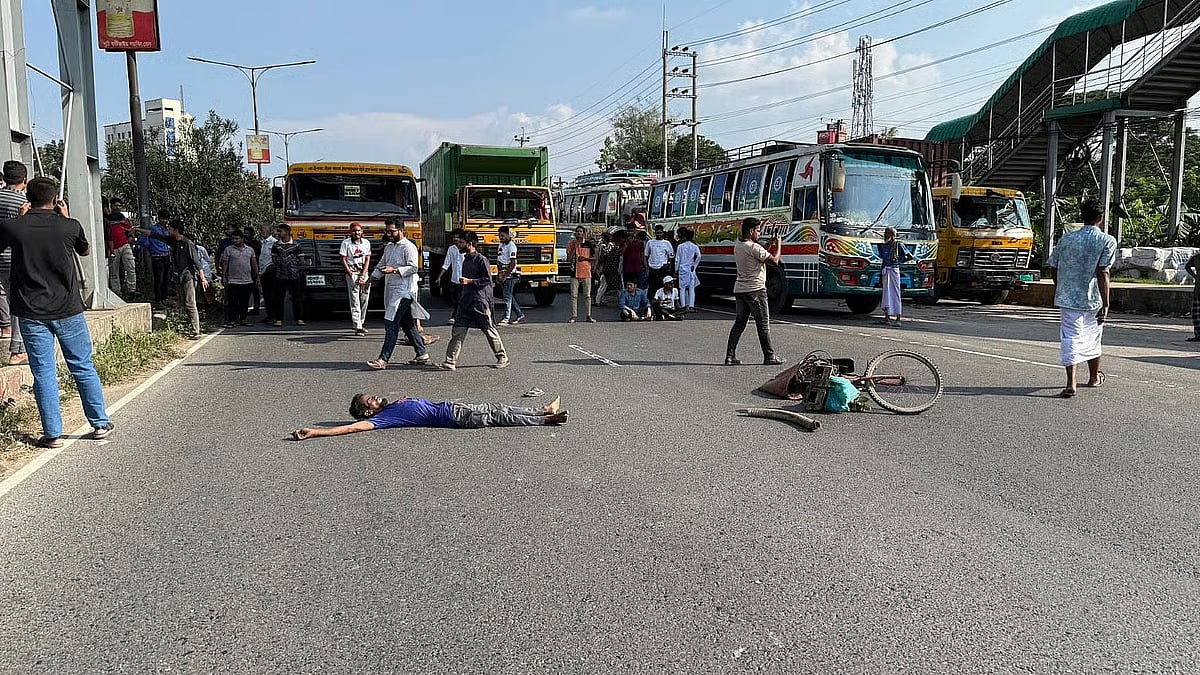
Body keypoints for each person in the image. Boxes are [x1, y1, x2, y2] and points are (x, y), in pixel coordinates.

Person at [0, 177, 112, 448]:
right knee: (82, 366)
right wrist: (67, 217)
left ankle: (53, 434)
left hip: (30, 311)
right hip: (67, 310)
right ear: (55, 200)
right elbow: (84, 251)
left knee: (44, 372)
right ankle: (99, 423)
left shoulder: (14, 227)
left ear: (28, 198)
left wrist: (19, 219)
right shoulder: (69, 226)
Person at [1046, 200, 1117, 398]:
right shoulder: (1107, 240)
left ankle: (1071, 383)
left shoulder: (1067, 239)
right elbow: (1103, 272)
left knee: (1071, 337)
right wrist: (1106, 303)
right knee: (1093, 337)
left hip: (1068, 298)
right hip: (1094, 298)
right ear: (1100, 218)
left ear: (1082, 216)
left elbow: (1054, 266)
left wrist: (1061, 286)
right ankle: (1093, 378)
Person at [290, 393, 568, 440]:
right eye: (370, 400)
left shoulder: (388, 409)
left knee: (499, 409)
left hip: (454, 409)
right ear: (367, 410)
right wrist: (317, 432)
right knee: (498, 414)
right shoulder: (383, 418)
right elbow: (352, 429)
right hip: (455, 415)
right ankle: (544, 418)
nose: (375, 398)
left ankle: (542, 411)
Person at [437, 231, 509, 371]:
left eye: (461, 243)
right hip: (465, 301)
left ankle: (502, 357)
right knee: (458, 330)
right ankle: (450, 361)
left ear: (469, 244)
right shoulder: (466, 259)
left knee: (488, 329)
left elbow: (487, 279)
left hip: (479, 301)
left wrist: (470, 281)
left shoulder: (481, 260)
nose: (458, 245)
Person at [367, 219, 426, 369]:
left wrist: (394, 270)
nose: (389, 234)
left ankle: (383, 360)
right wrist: (370, 278)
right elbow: (381, 265)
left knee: (391, 323)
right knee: (407, 324)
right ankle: (421, 353)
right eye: (387, 231)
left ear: (401, 230)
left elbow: (413, 267)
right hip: (392, 290)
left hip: (404, 292)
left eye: (392, 231)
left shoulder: (409, 247)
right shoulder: (389, 247)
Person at [136, 220, 210, 339]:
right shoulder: (172, 241)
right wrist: (139, 230)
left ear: (176, 230)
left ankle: (196, 330)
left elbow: (196, 261)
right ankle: (186, 326)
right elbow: (154, 235)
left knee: (190, 303)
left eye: (170, 229)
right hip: (178, 277)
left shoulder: (188, 243)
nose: (168, 230)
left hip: (188, 277)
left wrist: (202, 278)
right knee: (182, 304)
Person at [725, 217, 783, 366]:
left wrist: (768, 245)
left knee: (739, 324)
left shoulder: (738, 245)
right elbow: (774, 261)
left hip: (740, 289)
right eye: (758, 231)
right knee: (763, 324)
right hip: (755, 290)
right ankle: (770, 356)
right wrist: (779, 245)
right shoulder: (754, 248)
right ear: (751, 231)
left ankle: (730, 356)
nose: (759, 234)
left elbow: (758, 256)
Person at [0, 160, 29, 365]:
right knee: (18, 302)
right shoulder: (23, 202)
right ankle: (18, 350)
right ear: (24, 181)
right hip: (15, 258)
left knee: (3, 295)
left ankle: (5, 327)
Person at [220, 230, 258, 328]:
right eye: (233, 239)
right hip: (233, 280)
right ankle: (232, 320)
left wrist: (257, 276)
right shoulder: (228, 250)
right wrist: (224, 277)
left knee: (244, 302)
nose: (235, 240)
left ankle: (243, 319)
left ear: (242, 239)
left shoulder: (250, 250)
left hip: (247, 280)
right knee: (233, 302)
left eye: (237, 238)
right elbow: (225, 264)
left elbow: (254, 264)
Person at [270, 224, 305, 327]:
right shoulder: (276, 245)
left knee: (297, 297)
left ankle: (299, 318)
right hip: (280, 275)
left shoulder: (296, 245)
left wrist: (294, 266)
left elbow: (301, 260)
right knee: (279, 298)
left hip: (294, 275)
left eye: (280, 231)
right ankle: (279, 319)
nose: (278, 233)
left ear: (286, 232)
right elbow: (274, 258)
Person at [340, 222, 372, 335]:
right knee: (354, 299)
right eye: (354, 230)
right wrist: (349, 272)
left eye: (358, 230)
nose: (356, 232)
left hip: (364, 273)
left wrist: (364, 274)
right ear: (350, 232)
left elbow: (367, 259)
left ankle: (361, 323)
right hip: (352, 274)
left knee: (364, 298)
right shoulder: (346, 243)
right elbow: (343, 258)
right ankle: (357, 325)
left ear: (362, 231)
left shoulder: (366, 243)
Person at [880, 226, 914, 327]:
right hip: (886, 270)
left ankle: (898, 317)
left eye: (887, 234)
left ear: (892, 235)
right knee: (886, 294)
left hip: (894, 270)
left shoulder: (899, 245)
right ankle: (887, 316)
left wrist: (899, 262)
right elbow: (883, 261)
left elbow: (910, 256)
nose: (885, 235)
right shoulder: (885, 246)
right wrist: (880, 275)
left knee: (895, 293)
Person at [104, 197, 136, 298]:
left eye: (119, 206)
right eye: (115, 206)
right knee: (114, 271)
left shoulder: (123, 218)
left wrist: (131, 238)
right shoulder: (107, 219)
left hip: (124, 245)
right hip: (113, 247)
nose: (117, 208)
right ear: (111, 206)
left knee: (131, 267)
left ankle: (132, 290)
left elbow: (130, 230)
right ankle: (116, 292)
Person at [496, 225, 525, 326]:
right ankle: (520, 315)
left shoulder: (512, 246)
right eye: (500, 236)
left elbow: (512, 263)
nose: (501, 237)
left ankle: (506, 318)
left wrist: (505, 275)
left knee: (507, 297)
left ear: (508, 235)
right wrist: (499, 274)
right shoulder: (501, 245)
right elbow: (499, 260)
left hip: (511, 275)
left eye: (503, 235)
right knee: (509, 296)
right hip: (502, 273)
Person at [566, 226, 596, 323]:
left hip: (586, 272)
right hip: (574, 272)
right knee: (574, 295)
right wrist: (575, 248)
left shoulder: (588, 244)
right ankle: (574, 315)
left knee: (587, 295)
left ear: (584, 233)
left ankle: (588, 315)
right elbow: (569, 259)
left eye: (580, 231)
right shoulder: (571, 244)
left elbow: (594, 257)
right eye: (577, 231)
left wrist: (585, 259)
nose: (579, 233)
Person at [144, 209, 173, 307]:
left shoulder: (168, 230)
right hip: (157, 256)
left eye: (166, 219)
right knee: (158, 279)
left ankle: (164, 298)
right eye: (163, 218)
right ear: (159, 218)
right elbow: (143, 240)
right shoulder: (153, 229)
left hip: (167, 256)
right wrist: (152, 247)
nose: (165, 221)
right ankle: (158, 300)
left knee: (166, 278)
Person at [438, 228, 465, 324]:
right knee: (457, 299)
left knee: (461, 299)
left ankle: (455, 316)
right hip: (455, 279)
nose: (455, 239)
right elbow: (446, 264)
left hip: (465, 279)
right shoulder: (451, 249)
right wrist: (439, 277)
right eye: (454, 237)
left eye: (457, 237)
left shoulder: (466, 249)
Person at [675, 227, 702, 312]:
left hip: (682, 269)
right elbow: (699, 256)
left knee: (682, 288)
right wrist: (695, 265)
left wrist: (676, 269)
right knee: (691, 288)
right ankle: (691, 306)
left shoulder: (680, 246)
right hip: (691, 269)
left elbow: (677, 259)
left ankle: (683, 306)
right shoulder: (694, 246)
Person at [645, 224, 675, 295]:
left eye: (660, 233)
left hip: (662, 268)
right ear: (655, 233)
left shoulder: (666, 243)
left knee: (661, 287)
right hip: (652, 268)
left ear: (663, 233)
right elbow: (646, 255)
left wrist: (668, 264)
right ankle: (651, 303)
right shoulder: (650, 242)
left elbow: (671, 256)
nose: (659, 235)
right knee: (652, 287)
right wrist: (647, 266)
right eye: (657, 233)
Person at [258, 223, 277, 324]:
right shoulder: (261, 243)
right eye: (261, 230)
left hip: (271, 271)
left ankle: (275, 316)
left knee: (272, 295)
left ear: (270, 231)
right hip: (263, 271)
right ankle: (269, 315)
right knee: (266, 295)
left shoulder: (274, 243)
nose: (262, 232)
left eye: (264, 230)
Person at [622, 222, 647, 288]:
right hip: (627, 268)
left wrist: (645, 266)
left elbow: (642, 255)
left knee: (637, 286)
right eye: (628, 231)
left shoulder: (639, 242)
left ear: (634, 231)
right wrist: (626, 244)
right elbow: (621, 253)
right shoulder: (624, 241)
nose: (630, 233)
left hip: (637, 267)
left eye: (631, 231)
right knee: (628, 286)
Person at [1188, 251, 1200, 343]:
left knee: (1196, 313)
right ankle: (1198, 335)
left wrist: (1195, 276)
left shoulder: (1196, 257)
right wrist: (1195, 276)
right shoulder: (1196, 257)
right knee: (1196, 313)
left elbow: (1187, 267)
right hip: (1198, 287)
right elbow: (1187, 266)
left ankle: (1198, 334)